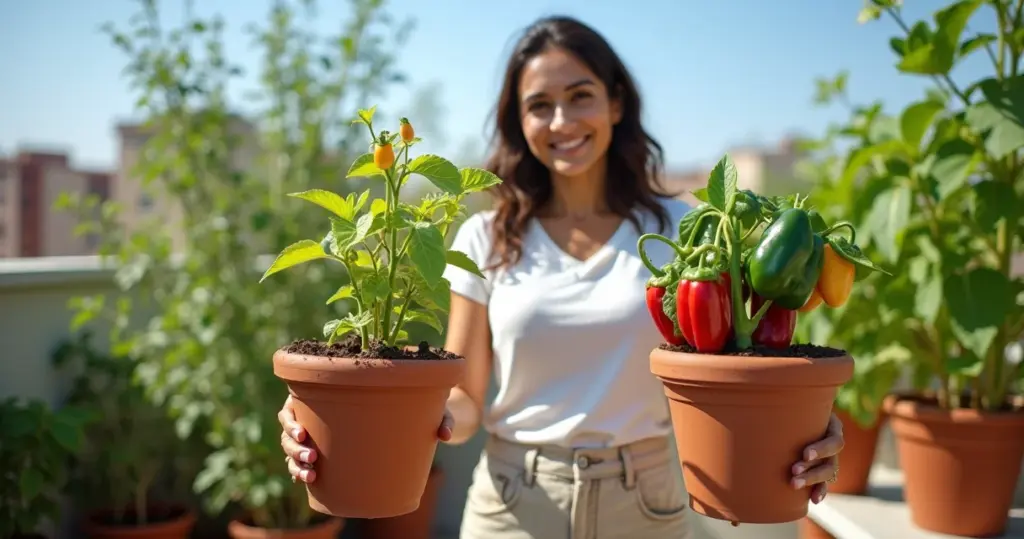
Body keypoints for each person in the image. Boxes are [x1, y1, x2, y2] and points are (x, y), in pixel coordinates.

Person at [278, 15, 844, 539]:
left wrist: (809, 428)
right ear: (519, 122)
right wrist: (342, 416)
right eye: (539, 106)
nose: (561, 122)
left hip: (646, 503)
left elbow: (745, 366)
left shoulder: (685, 232)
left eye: (580, 97)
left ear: (616, 103)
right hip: (512, 502)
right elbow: (464, 397)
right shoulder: (485, 237)